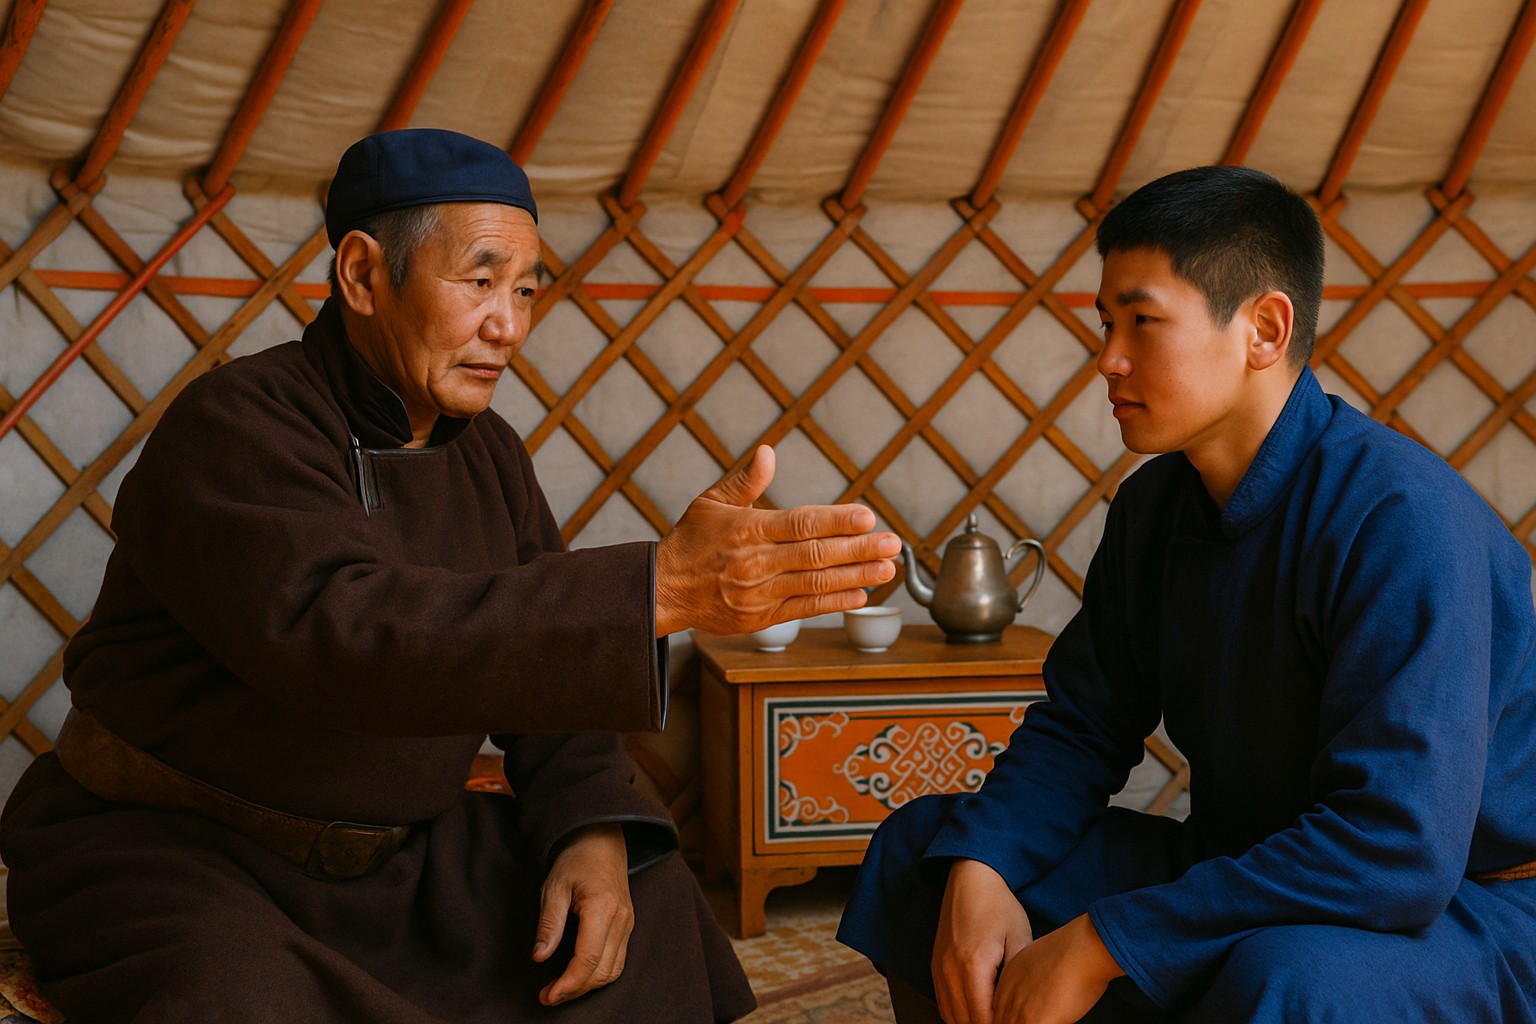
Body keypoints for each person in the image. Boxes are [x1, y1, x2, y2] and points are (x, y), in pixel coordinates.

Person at [0, 128, 900, 1023]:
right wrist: (655, 589)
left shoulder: (491, 456)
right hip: (181, 852)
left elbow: (553, 699)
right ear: (361, 276)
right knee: (237, 1001)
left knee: (647, 897)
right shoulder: (235, 426)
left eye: (525, 290)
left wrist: (591, 830)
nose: (507, 325)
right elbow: (351, 639)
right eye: (477, 282)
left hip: (401, 863)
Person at [837, 165, 1536, 1023]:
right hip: (1252, 865)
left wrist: (1104, 943)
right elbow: (1084, 727)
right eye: (1104, 323)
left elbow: (1396, 849)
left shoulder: (1403, 521)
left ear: (1265, 329)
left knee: (1294, 977)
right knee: (929, 855)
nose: (1108, 360)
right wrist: (985, 866)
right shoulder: (1155, 509)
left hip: (1470, 907)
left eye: (1143, 322)